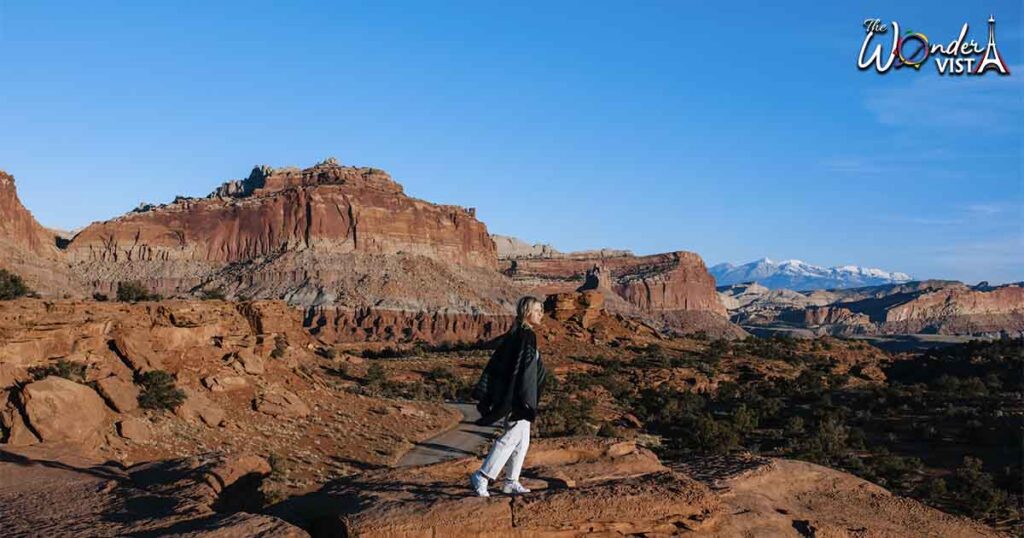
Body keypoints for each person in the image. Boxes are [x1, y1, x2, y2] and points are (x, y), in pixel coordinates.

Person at [469, 296, 547, 497]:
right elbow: (524, 371)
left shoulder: (518, 334)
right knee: (510, 437)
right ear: (527, 312)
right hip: (518, 396)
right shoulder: (524, 336)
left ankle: (511, 481)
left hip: (519, 394)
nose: (541, 314)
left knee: (523, 441)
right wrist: (523, 397)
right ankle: (483, 475)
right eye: (537, 310)